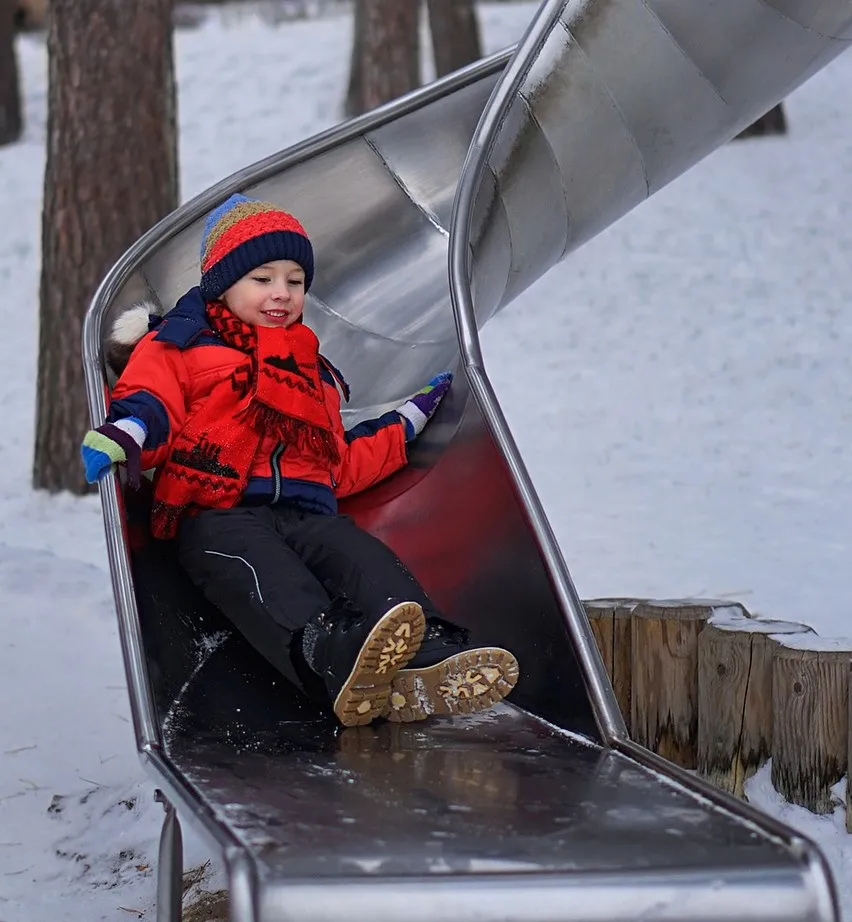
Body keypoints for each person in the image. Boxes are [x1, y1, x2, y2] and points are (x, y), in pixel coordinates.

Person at [81, 194, 519, 727]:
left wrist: (405, 424)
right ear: (222, 283)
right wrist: (126, 431)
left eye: (294, 280)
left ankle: (422, 655)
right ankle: (331, 655)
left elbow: (339, 463)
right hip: (220, 517)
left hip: (308, 514)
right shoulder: (182, 346)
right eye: (262, 278)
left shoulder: (312, 373)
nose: (281, 294)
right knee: (267, 573)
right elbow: (153, 403)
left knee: (361, 555)